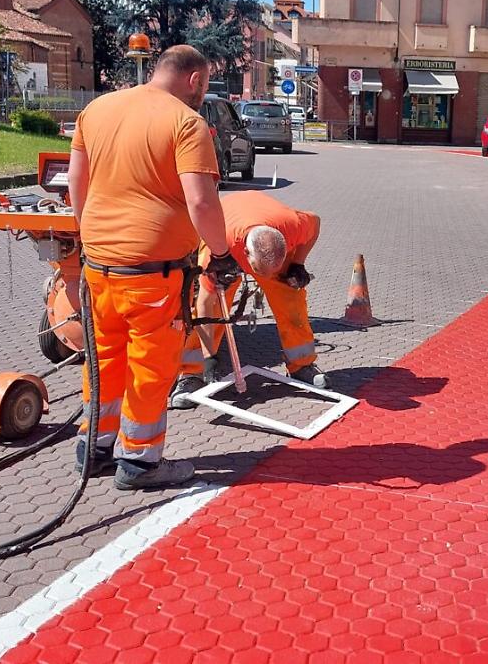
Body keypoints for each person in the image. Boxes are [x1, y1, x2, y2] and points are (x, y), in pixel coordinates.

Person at [68, 45, 240, 490]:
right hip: (153, 274)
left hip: (99, 266)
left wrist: (94, 238)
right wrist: (221, 253)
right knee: (150, 365)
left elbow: (76, 184)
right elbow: (202, 202)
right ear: (194, 79)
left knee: (104, 358)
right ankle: (140, 462)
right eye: (204, 84)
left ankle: (95, 446)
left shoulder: (97, 109)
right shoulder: (186, 123)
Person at [170, 191, 328, 409]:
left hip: (262, 234)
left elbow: (315, 222)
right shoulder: (219, 248)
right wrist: (209, 356)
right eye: (257, 270)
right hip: (227, 238)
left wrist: (297, 264)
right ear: (245, 253)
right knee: (215, 309)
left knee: (291, 299)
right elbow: (204, 305)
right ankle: (191, 374)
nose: (262, 277)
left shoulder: (293, 225)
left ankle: (302, 365)